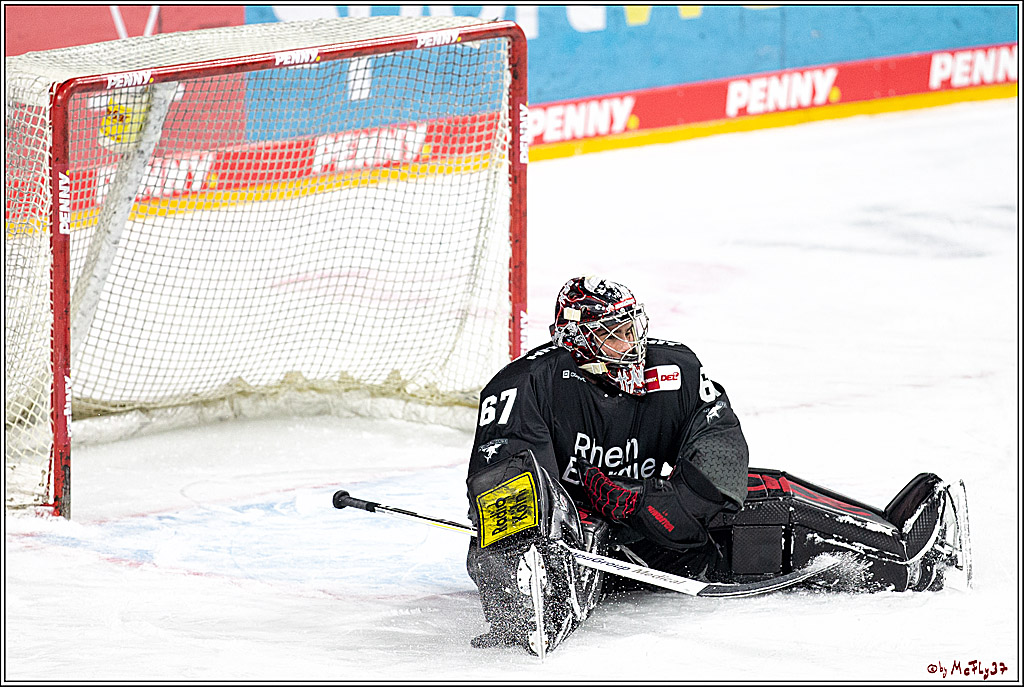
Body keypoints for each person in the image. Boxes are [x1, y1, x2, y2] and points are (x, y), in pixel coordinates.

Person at [464, 275, 972, 656]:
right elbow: (503, 483)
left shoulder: (675, 369)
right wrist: (564, 529)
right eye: (615, 334)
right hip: (580, 544)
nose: (633, 344)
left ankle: (904, 552)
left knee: (770, 499)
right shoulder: (523, 386)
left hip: (651, 525)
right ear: (578, 339)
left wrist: (653, 507)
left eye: (634, 328)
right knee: (532, 529)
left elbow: (722, 448)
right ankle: (526, 602)